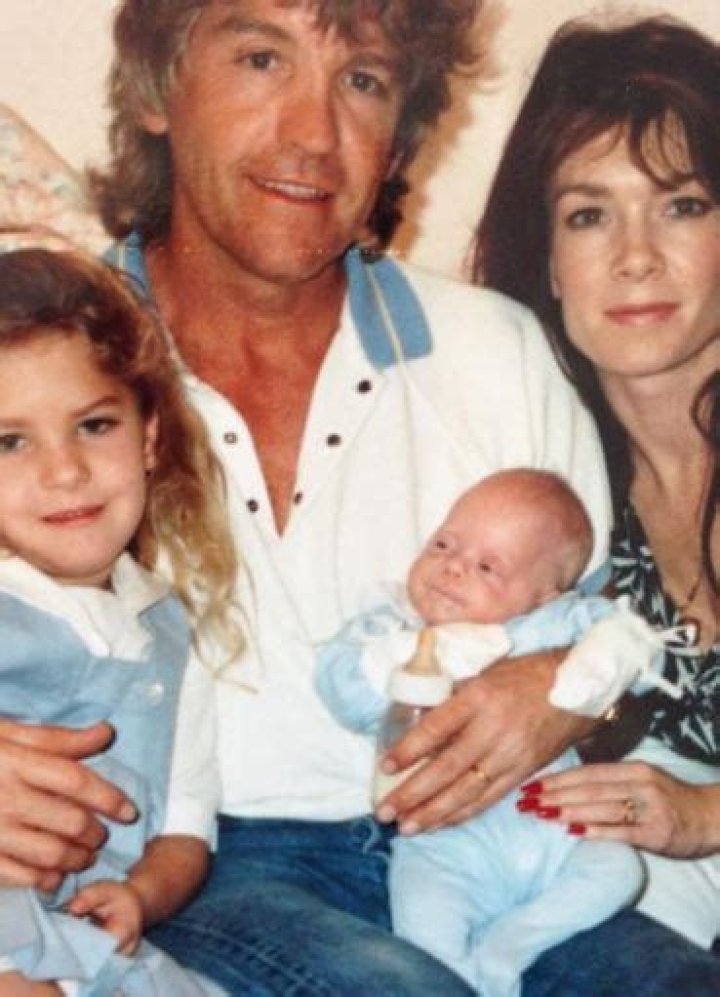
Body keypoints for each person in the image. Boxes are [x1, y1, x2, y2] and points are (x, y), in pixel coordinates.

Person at [0, 2, 710, 994]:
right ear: (161, 89)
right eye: (261, 59)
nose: (312, 132)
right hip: (207, 868)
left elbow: (605, 644)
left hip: (487, 847)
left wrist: (556, 691)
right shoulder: (48, 376)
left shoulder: (496, 352)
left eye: (363, 80)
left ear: (400, 136)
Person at [475, 12, 720, 988]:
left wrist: (704, 815)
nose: (635, 256)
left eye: (682, 205)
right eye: (589, 215)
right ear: (547, 257)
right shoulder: (556, 483)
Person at [317, 467, 676, 996]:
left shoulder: (550, 627)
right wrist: (424, 655)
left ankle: (512, 944)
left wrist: (594, 667)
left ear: (546, 596)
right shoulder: (392, 624)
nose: (453, 568)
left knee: (620, 870)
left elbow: (638, 649)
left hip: (560, 837)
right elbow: (345, 691)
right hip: (444, 849)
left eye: (488, 567)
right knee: (423, 935)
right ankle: (466, 977)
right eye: (443, 545)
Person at [0, 247, 237, 997]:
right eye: (10, 441)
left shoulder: (170, 632)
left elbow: (186, 827)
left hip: (91, 942)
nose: (65, 470)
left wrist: (140, 895)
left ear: (148, 438)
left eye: (95, 425)